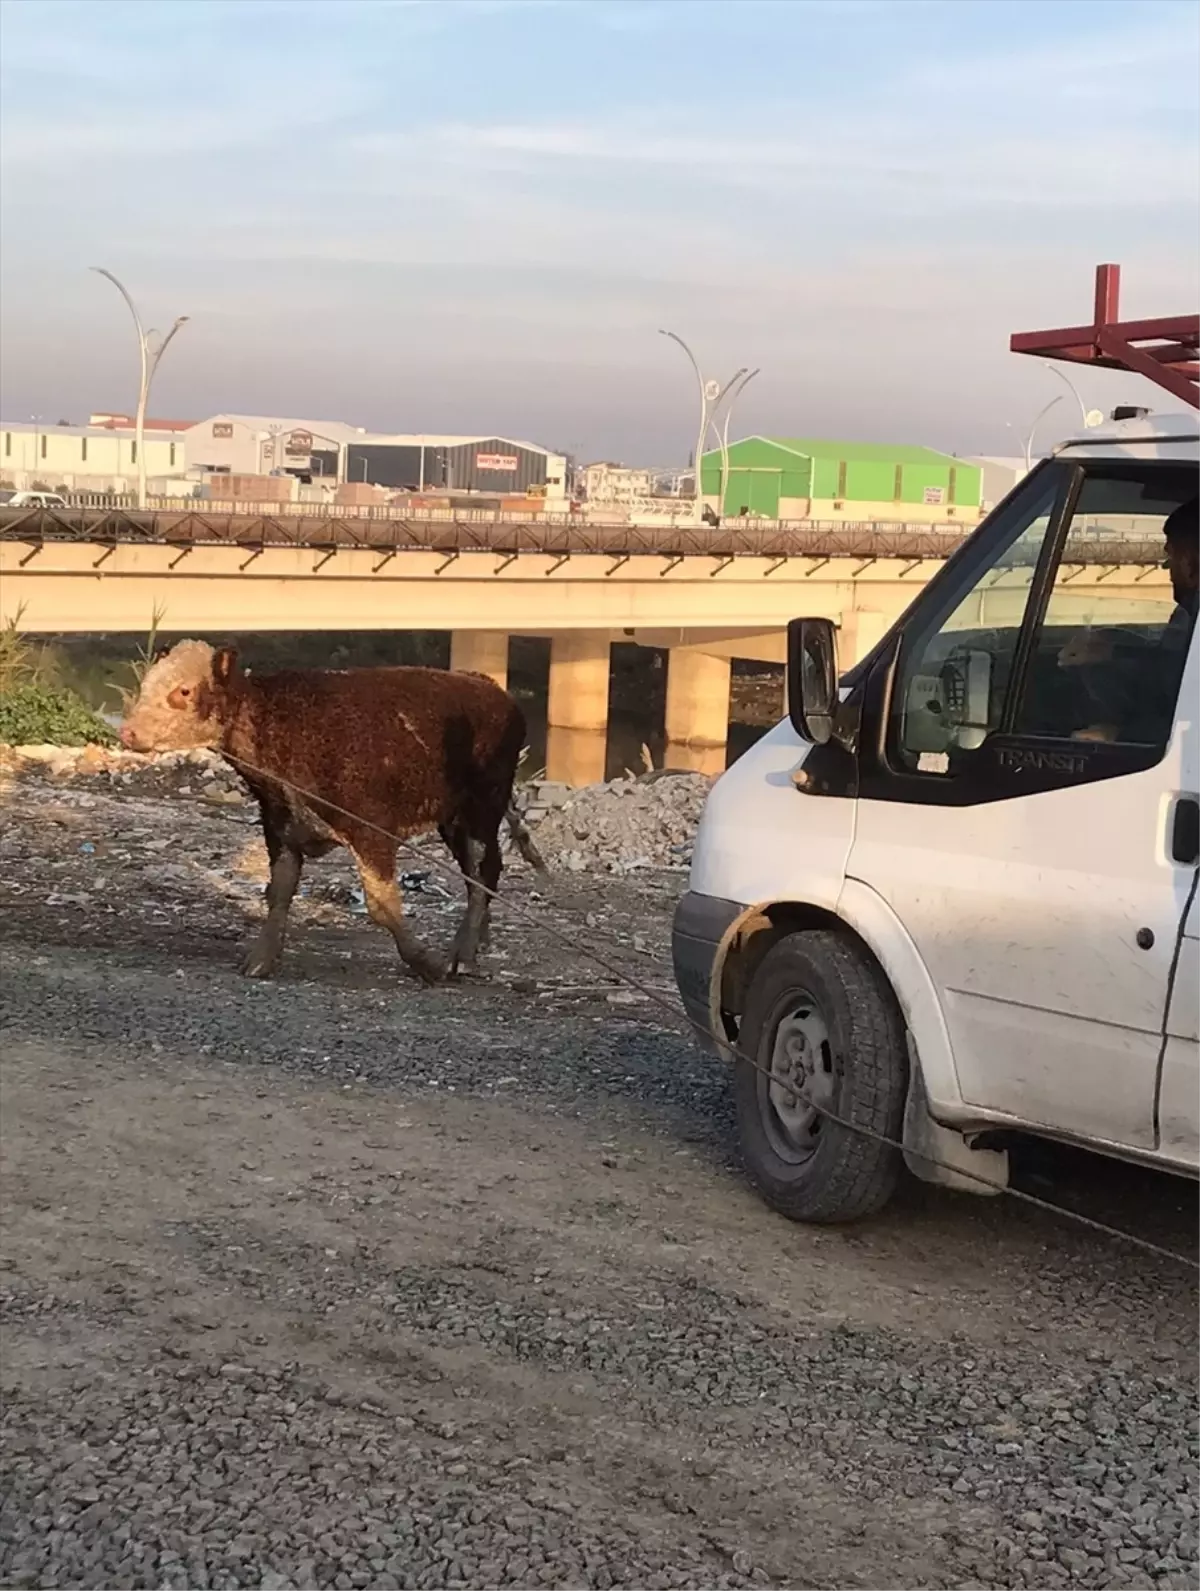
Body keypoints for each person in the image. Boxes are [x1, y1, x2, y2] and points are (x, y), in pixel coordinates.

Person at [1063, 492, 1199, 743]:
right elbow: (1174, 665)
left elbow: (1190, 718)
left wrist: (1119, 736)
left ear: (1189, 562)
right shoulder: (1188, 615)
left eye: (1171, 557)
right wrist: (1112, 652)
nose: (1165, 569)